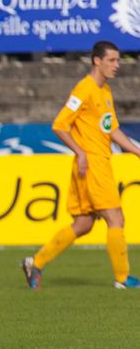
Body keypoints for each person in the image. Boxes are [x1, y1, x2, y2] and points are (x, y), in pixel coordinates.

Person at [22, 41, 140, 290]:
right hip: (92, 164)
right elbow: (59, 125)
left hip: (98, 163)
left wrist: (135, 151)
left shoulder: (104, 91)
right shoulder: (83, 90)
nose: (117, 65)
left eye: (118, 60)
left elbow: (112, 129)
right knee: (115, 217)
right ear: (97, 61)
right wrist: (81, 152)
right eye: (112, 60)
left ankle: (36, 262)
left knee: (84, 224)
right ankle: (122, 278)